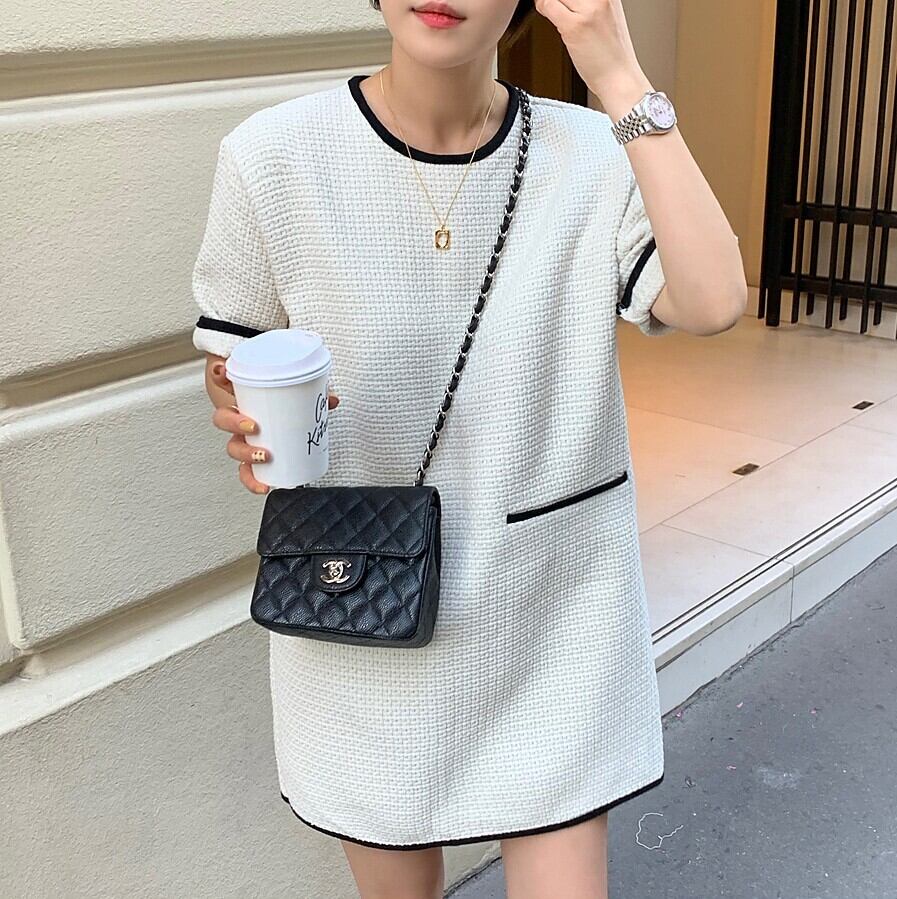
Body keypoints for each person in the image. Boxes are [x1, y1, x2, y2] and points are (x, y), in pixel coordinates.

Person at [191, 1, 747, 896]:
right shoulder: (273, 156)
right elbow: (236, 355)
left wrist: (617, 76)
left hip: (550, 610)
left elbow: (714, 299)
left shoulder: (591, 151)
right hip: (361, 606)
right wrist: (239, 411)